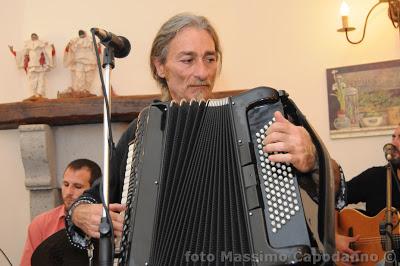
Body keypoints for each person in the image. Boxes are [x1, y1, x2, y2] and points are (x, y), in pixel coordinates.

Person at [65, 13, 345, 251]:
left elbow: (339, 190)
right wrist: (80, 213)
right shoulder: (142, 133)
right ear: (160, 66)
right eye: (188, 60)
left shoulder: (261, 118)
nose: (203, 72)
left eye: (210, 59)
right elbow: (92, 197)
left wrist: (314, 159)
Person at [336, 124, 400, 263]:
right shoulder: (375, 177)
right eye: (393, 137)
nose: (393, 143)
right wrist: (334, 237)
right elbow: (331, 200)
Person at [20, 159, 102, 266]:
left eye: (77, 187)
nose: (68, 192)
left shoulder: (105, 222)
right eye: (66, 184)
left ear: (94, 191)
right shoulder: (40, 223)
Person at [9, 33, 56, 101]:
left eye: (35, 36)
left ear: (37, 36)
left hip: (41, 65)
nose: (33, 37)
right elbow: (22, 54)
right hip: (32, 65)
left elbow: (49, 52)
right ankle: (33, 95)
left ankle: (40, 94)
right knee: (32, 81)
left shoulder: (42, 44)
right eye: (32, 36)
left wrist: (52, 50)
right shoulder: (28, 45)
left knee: (41, 80)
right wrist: (13, 51)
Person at [62, 30, 99, 97]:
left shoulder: (91, 40)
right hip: (78, 61)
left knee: (89, 77)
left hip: (89, 61)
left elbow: (95, 50)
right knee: (79, 76)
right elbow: (70, 50)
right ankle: (81, 91)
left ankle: (86, 90)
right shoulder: (74, 41)